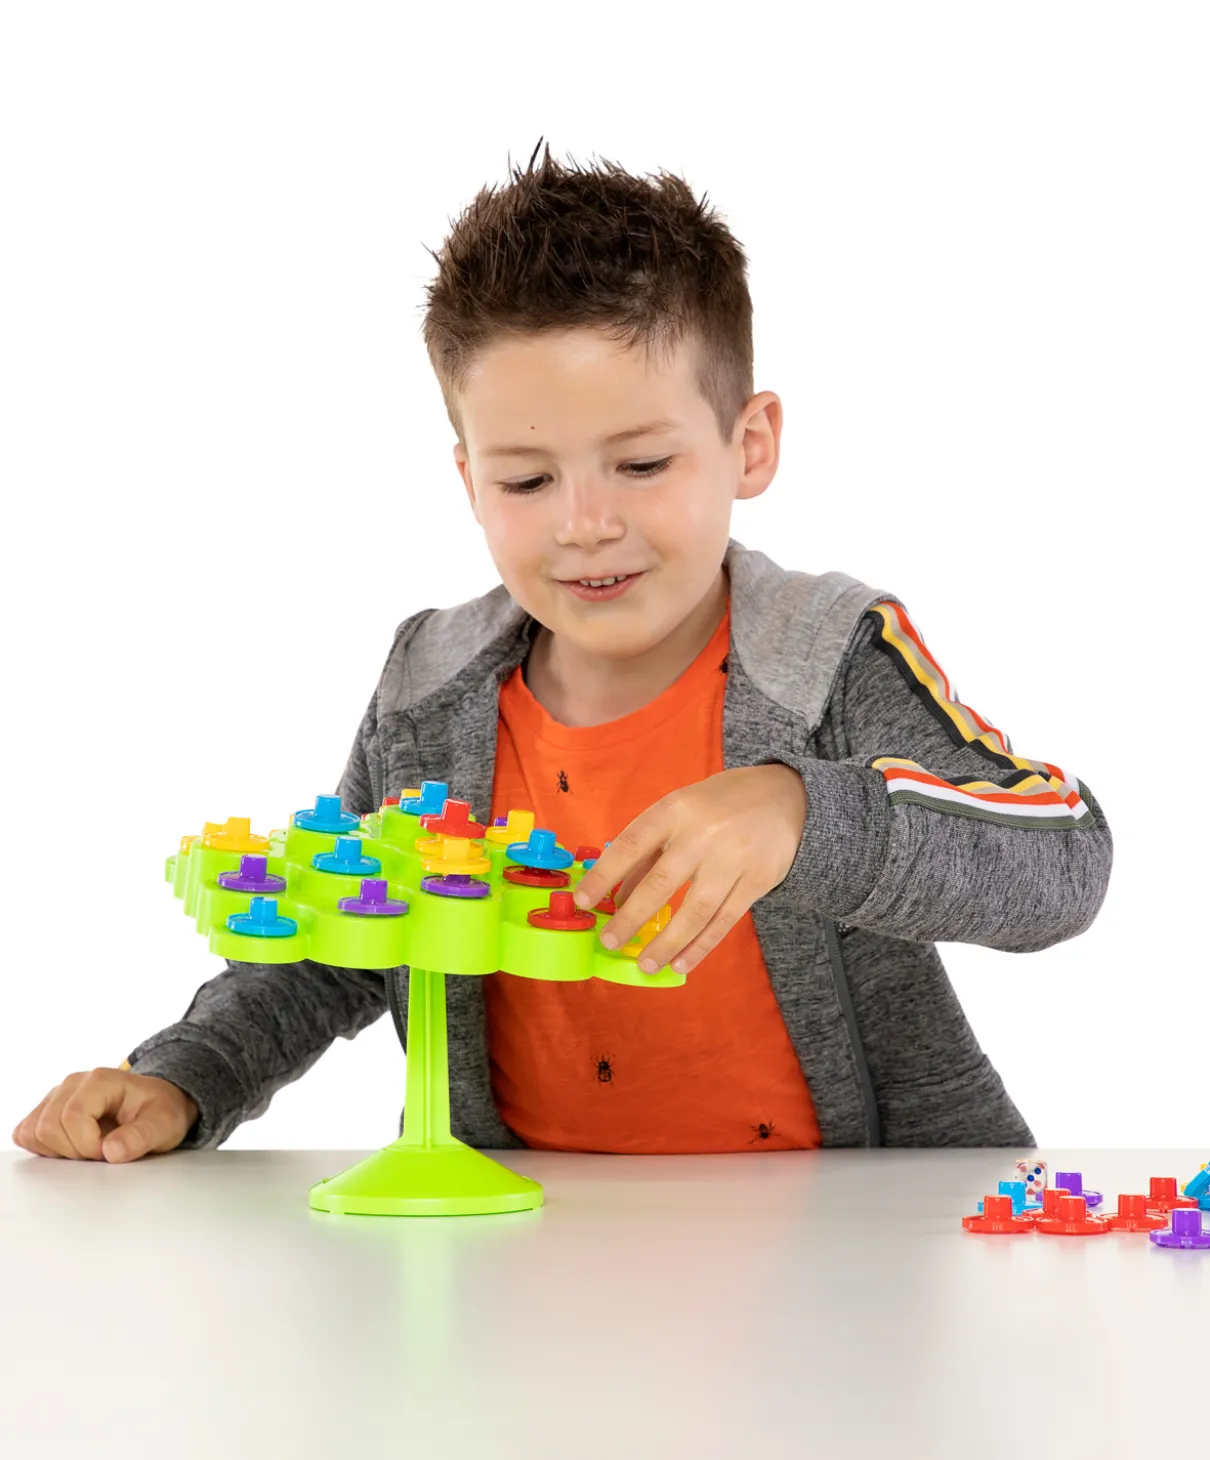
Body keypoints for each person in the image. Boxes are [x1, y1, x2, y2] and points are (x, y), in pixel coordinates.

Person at [12, 139, 1113, 1164]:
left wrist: (800, 812)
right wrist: (187, 1076)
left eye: (641, 465)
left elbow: (1062, 858)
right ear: (468, 481)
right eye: (529, 480)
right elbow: (339, 938)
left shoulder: (823, 656)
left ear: (748, 445)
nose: (585, 524)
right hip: (526, 1243)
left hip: (852, 1242)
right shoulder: (428, 690)